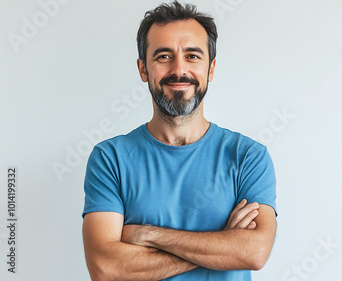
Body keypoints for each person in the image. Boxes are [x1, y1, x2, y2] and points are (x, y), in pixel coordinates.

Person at [81, 1, 277, 280]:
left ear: (210, 69)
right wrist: (223, 242)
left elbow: (254, 252)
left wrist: (148, 235)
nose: (179, 69)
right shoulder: (110, 158)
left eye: (193, 56)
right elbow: (106, 268)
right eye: (163, 56)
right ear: (143, 69)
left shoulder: (248, 156)